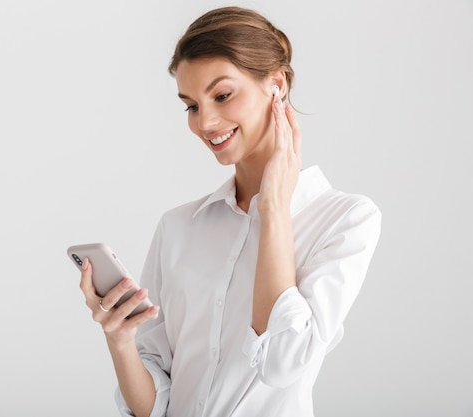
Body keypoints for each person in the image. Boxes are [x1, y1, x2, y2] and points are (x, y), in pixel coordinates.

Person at [78, 6, 381, 417]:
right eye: (191, 105)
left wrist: (273, 207)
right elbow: (154, 404)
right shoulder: (178, 227)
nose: (206, 122)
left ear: (276, 86)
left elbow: (283, 362)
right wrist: (120, 340)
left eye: (222, 95)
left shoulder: (346, 220)